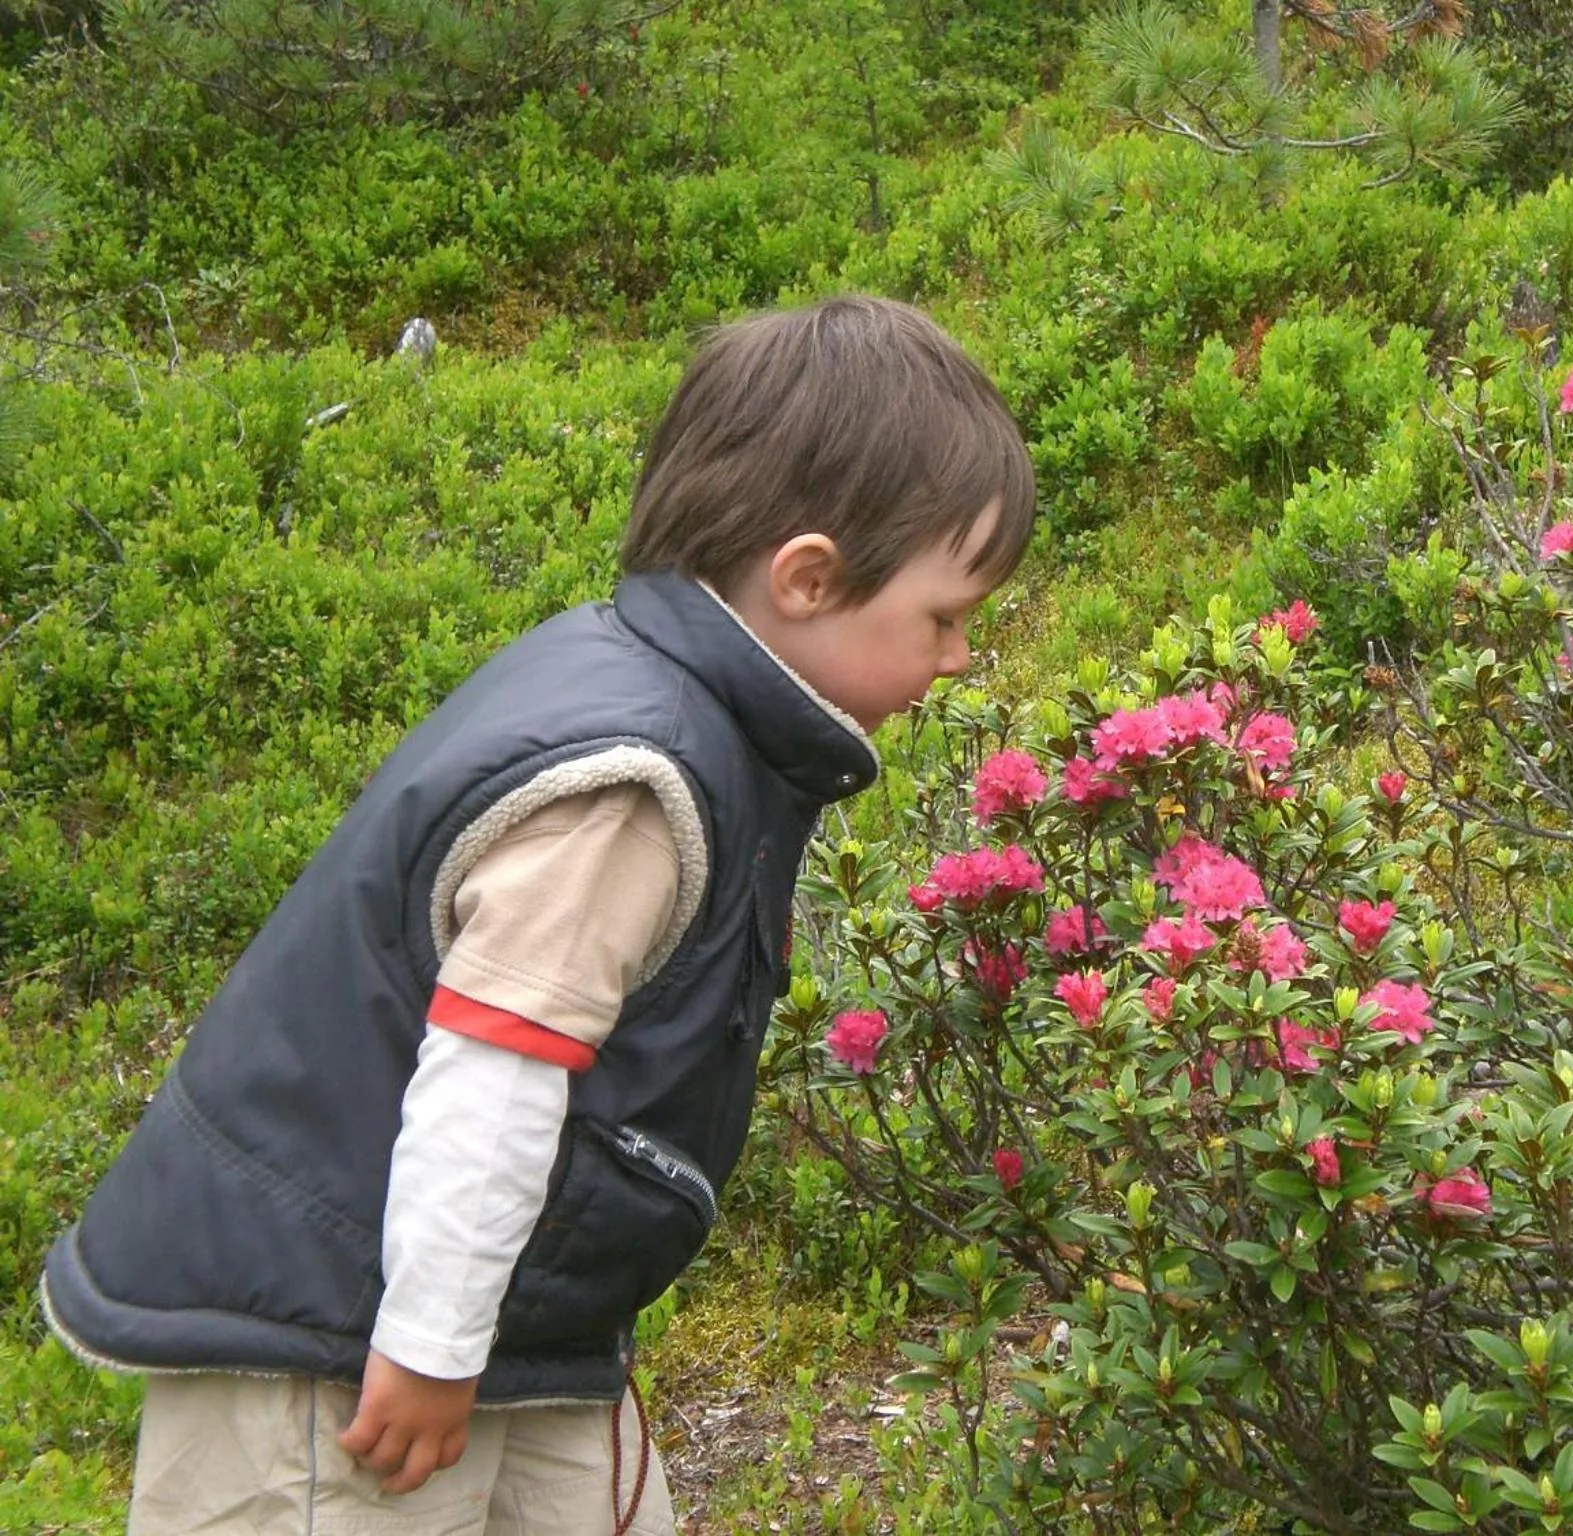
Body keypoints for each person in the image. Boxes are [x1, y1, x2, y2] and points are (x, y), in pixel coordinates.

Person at [39, 294, 1036, 1534]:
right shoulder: (631, 786)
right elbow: (493, 1079)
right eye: (943, 619)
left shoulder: (679, 705)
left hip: (510, 1319)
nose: (955, 660)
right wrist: (429, 1347)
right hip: (341, 1340)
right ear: (808, 579)